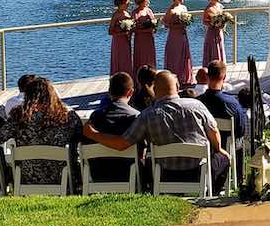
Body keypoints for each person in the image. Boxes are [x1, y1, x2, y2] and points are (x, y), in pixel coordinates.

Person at [83, 70, 230, 194]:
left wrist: (93, 134)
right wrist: (219, 149)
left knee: (147, 160)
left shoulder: (146, 115)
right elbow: (214, 131)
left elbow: (122, 143)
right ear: (177, 87)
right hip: (199, 170)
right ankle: (214, 192)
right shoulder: (197, 105)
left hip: (165, 174)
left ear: (155, 90)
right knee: (224, 158)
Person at [0, 77, 82, 185]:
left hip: (26, 178)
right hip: (64, 176)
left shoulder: (19, 116)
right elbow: (80, 138)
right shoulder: (68, 115)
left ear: (27, 95)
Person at [85, 72, 139, 183]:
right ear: (131, 92)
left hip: (99, 175)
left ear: (109, 92)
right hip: (129, 174)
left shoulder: (96, 117)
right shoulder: (136, 117)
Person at [198, 60, 248, 174]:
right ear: (224, 77)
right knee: (240, 141)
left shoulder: (197, 103)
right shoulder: (233, 104)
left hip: (203, 145)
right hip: (226, 146)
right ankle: (238, 174)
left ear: (207, 76)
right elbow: (241, 130)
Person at [163, 0, 194, 86]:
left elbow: (187, 19)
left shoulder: (184, 8)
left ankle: (185, 77)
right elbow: (165, 24)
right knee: (175, 56)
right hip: (174, 36)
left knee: (185, 55)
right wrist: (178, 26)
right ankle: (174, 78)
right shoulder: (171, 10)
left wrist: (186, 23)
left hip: (183, 34)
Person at [132, 0, 158, 80]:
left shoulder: (149, 10)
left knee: (150, 58)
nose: (148, 3)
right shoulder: (135, 12)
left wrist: (154, 27)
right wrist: (145, 30)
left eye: (148, 1)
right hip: (140, 39)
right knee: (141, 57)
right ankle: (139, 80)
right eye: (146, 1)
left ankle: (151, 78)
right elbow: (134, 28)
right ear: (141, 1)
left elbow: (154, 23)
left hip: (149, 38)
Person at [109, 0, 134, 77]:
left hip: (126, 40)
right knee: (119, 59)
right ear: (121, 4)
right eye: (127, 3)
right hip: (118, 41)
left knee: (126, 59)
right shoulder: (115, 15)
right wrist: (121, 32)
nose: (128, 5)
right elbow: (110, 31)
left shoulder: (127, 13)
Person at [202, 0, 227, 67]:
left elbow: (222, 17)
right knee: (213, 52)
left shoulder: (219, 5)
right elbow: (204, 22)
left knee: (220, 49)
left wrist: (223, 23)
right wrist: (213, 24)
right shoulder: (208, 9)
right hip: (212, 34)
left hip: (219, 32)